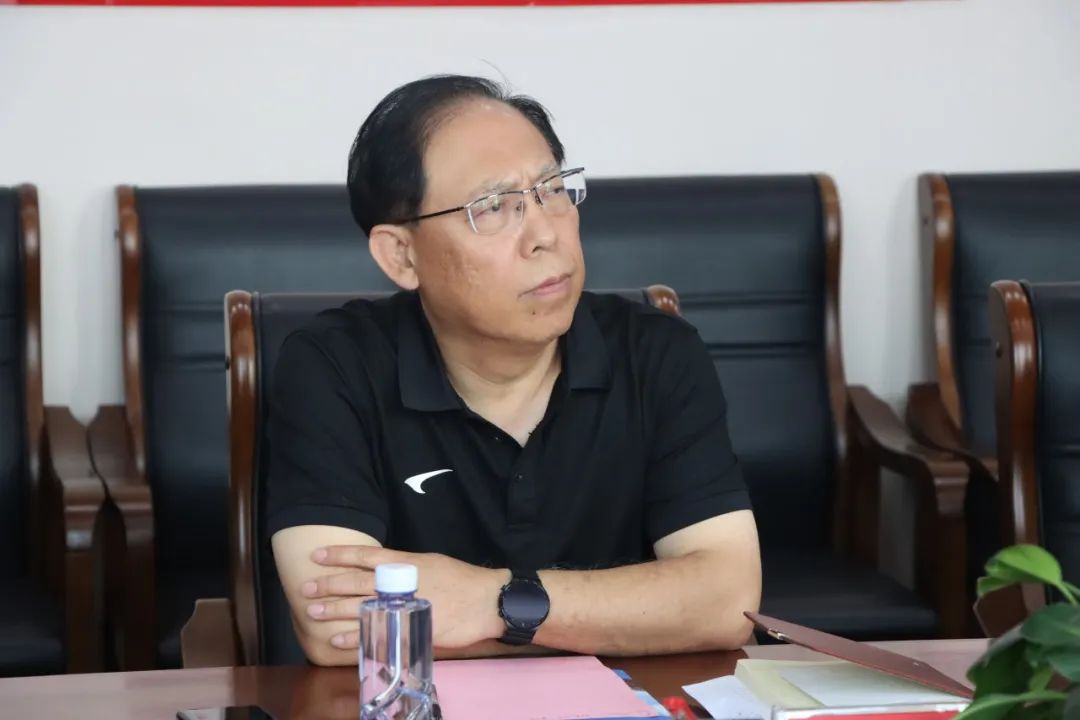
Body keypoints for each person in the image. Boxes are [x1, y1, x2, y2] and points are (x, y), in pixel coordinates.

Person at [267, 75, 761, 666]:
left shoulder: (656, 354)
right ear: (401, 254)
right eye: (492, 207)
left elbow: (726, 603)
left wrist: (493, 602)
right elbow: (339, 632)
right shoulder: (333, 368)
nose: (546, 233)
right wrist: (629, 615)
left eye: (552, 189)